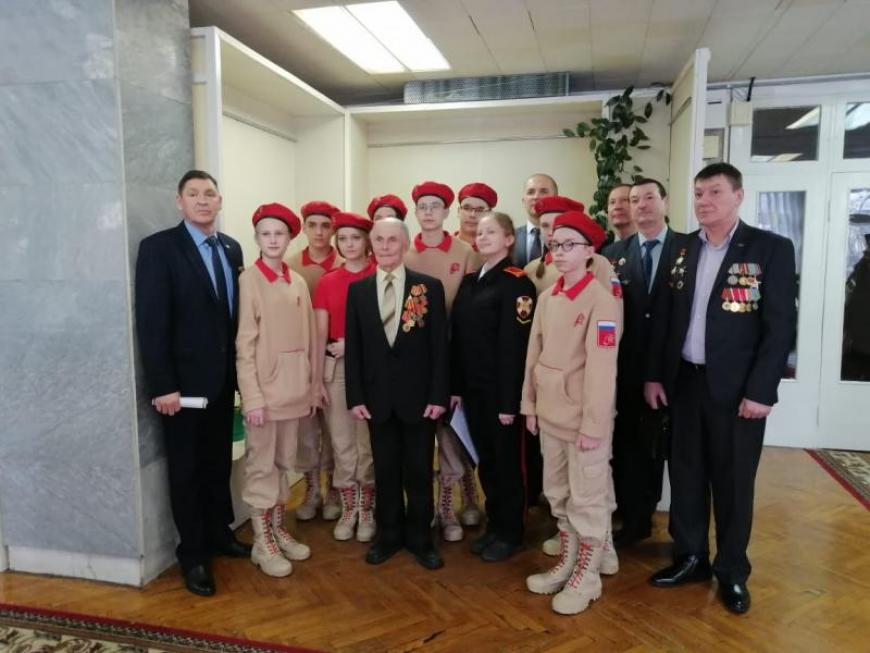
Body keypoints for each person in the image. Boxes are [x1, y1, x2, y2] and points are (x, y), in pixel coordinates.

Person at [644, 163, 797, 615]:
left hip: (737, 391)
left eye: (714, 192)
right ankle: (691, 557)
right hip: (685, 382)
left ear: (738, 196)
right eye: (698, 194)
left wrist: (762, 390)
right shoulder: (683, 248)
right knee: (686, 474)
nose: (704, 201)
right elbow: (663, 317)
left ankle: (731, 570)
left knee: (732, 481)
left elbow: (779, 328)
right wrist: (654, 375)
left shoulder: (769, 249)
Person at [135, 170, 250, 597]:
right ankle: (194, 554)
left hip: (223, 383)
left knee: (218, 463)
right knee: (186, 471)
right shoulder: (160, 249)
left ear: (219, 201)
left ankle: (219, 534)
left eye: (210, 193)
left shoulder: (231, 248)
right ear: (179, 201)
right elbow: (151, 323)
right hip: (181, 389)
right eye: (194, 194)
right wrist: (162, 385)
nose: (203, 200)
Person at [521, 210, 621, 615]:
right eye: (554, 245)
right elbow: (534, 354)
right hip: (550, 416)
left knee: (587, 499)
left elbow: (602, 369)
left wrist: (594, 425)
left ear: (589, 251)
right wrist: (529, 404)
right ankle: (568, 561)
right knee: (558, 494)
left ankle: (588, 576)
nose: (559, 252)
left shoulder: (602, 301)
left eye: (569, 245)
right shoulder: (548, 298)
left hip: (584, 422)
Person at [345, 218, 450, 570]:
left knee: (419, 470)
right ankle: (388, 534)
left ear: (405, 245)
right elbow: (355, 349)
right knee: (385, 470)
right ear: (371, 245)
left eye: (393, 240)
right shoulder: (358, 291)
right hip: (377, 399)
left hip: (419, 400)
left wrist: (438, 395)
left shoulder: (428, 287)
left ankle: (420, 537)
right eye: (379, 240)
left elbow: (439, 346)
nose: (386, 246)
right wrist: (355, 396)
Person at [236, 203, 316, 578]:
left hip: (293, 394)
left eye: (279, 233)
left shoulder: (297, 280)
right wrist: (252, 398)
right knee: (262, 467)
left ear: (289, 238)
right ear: (256, 238)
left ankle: (277, 529)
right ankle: (261, 541)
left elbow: (309, 338)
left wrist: (309, 387)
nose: (272, 240)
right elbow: (245, 345)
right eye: (265, 234)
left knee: (284, 464)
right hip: (265, 399)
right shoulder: (250, 280)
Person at [451, 212, 536, 562]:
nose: (483, 236)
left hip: (501, 394)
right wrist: (456, 387)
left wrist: (508, 401)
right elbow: (458, 339)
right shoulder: (471, 281)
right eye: (480, 232)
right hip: (473, 391)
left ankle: (511, 532)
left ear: (509, 239)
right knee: (486, 461)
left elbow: (514, 347)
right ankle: (495, 524)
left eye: (491, 231)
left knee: (507, 464)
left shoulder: (517, 282)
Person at [601, 178, 681, 548]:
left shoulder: (687, 249)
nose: (641, 205)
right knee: (631, 447)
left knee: (674, 454)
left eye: (649, 197)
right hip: (627, 369)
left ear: (665, 202)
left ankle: (683, 533)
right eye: (635, 200)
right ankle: (635, 520)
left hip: (675, 370)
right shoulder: (613, 254)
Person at [404, 181, 482, 542]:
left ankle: (449, 506)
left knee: (451, 434)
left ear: (447, 211)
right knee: (420, 435)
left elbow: (472, 311)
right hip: (415, 361)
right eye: (423, 206)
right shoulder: (404, 253)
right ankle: (421, 506)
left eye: (436, 206)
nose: (429, 212)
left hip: (453, 356)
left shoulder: (466, 253)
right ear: (416, 212)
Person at [312, 212, 378, 543]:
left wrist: (352, 344)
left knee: (367, 441)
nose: (349, 244)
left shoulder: (380, 274)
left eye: (355, 238)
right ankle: (348, 506)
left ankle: (367, 508)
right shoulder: (328, 281)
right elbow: (319, 334)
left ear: (367, 241)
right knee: (341, 440)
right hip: (335, 369)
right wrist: (315, 380)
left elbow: (388, 328)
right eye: (343, 239)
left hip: (372, 368)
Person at [287, 201, 343, 522]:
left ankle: (334, 488)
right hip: (300, 359)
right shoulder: (290, 266)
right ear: (304, 227)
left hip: (335, 356)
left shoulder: (346, 262)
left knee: (336, 429)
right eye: (313, 225)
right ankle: (311, 489)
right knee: (306, 430)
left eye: (326, 225)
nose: (319, 232)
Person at [514, 173, 558, 267]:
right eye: (530, 192)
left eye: (544, 191)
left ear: (556, 198)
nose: (536, 197)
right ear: (523, 200)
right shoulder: (509, 238)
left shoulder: (568, 239)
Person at [454, 182, 498, 271]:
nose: (472, 215)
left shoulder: (497, 252)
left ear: (490, 214)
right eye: (467, 208)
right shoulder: (444, 247)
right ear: (458, 211)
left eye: (480, 210)